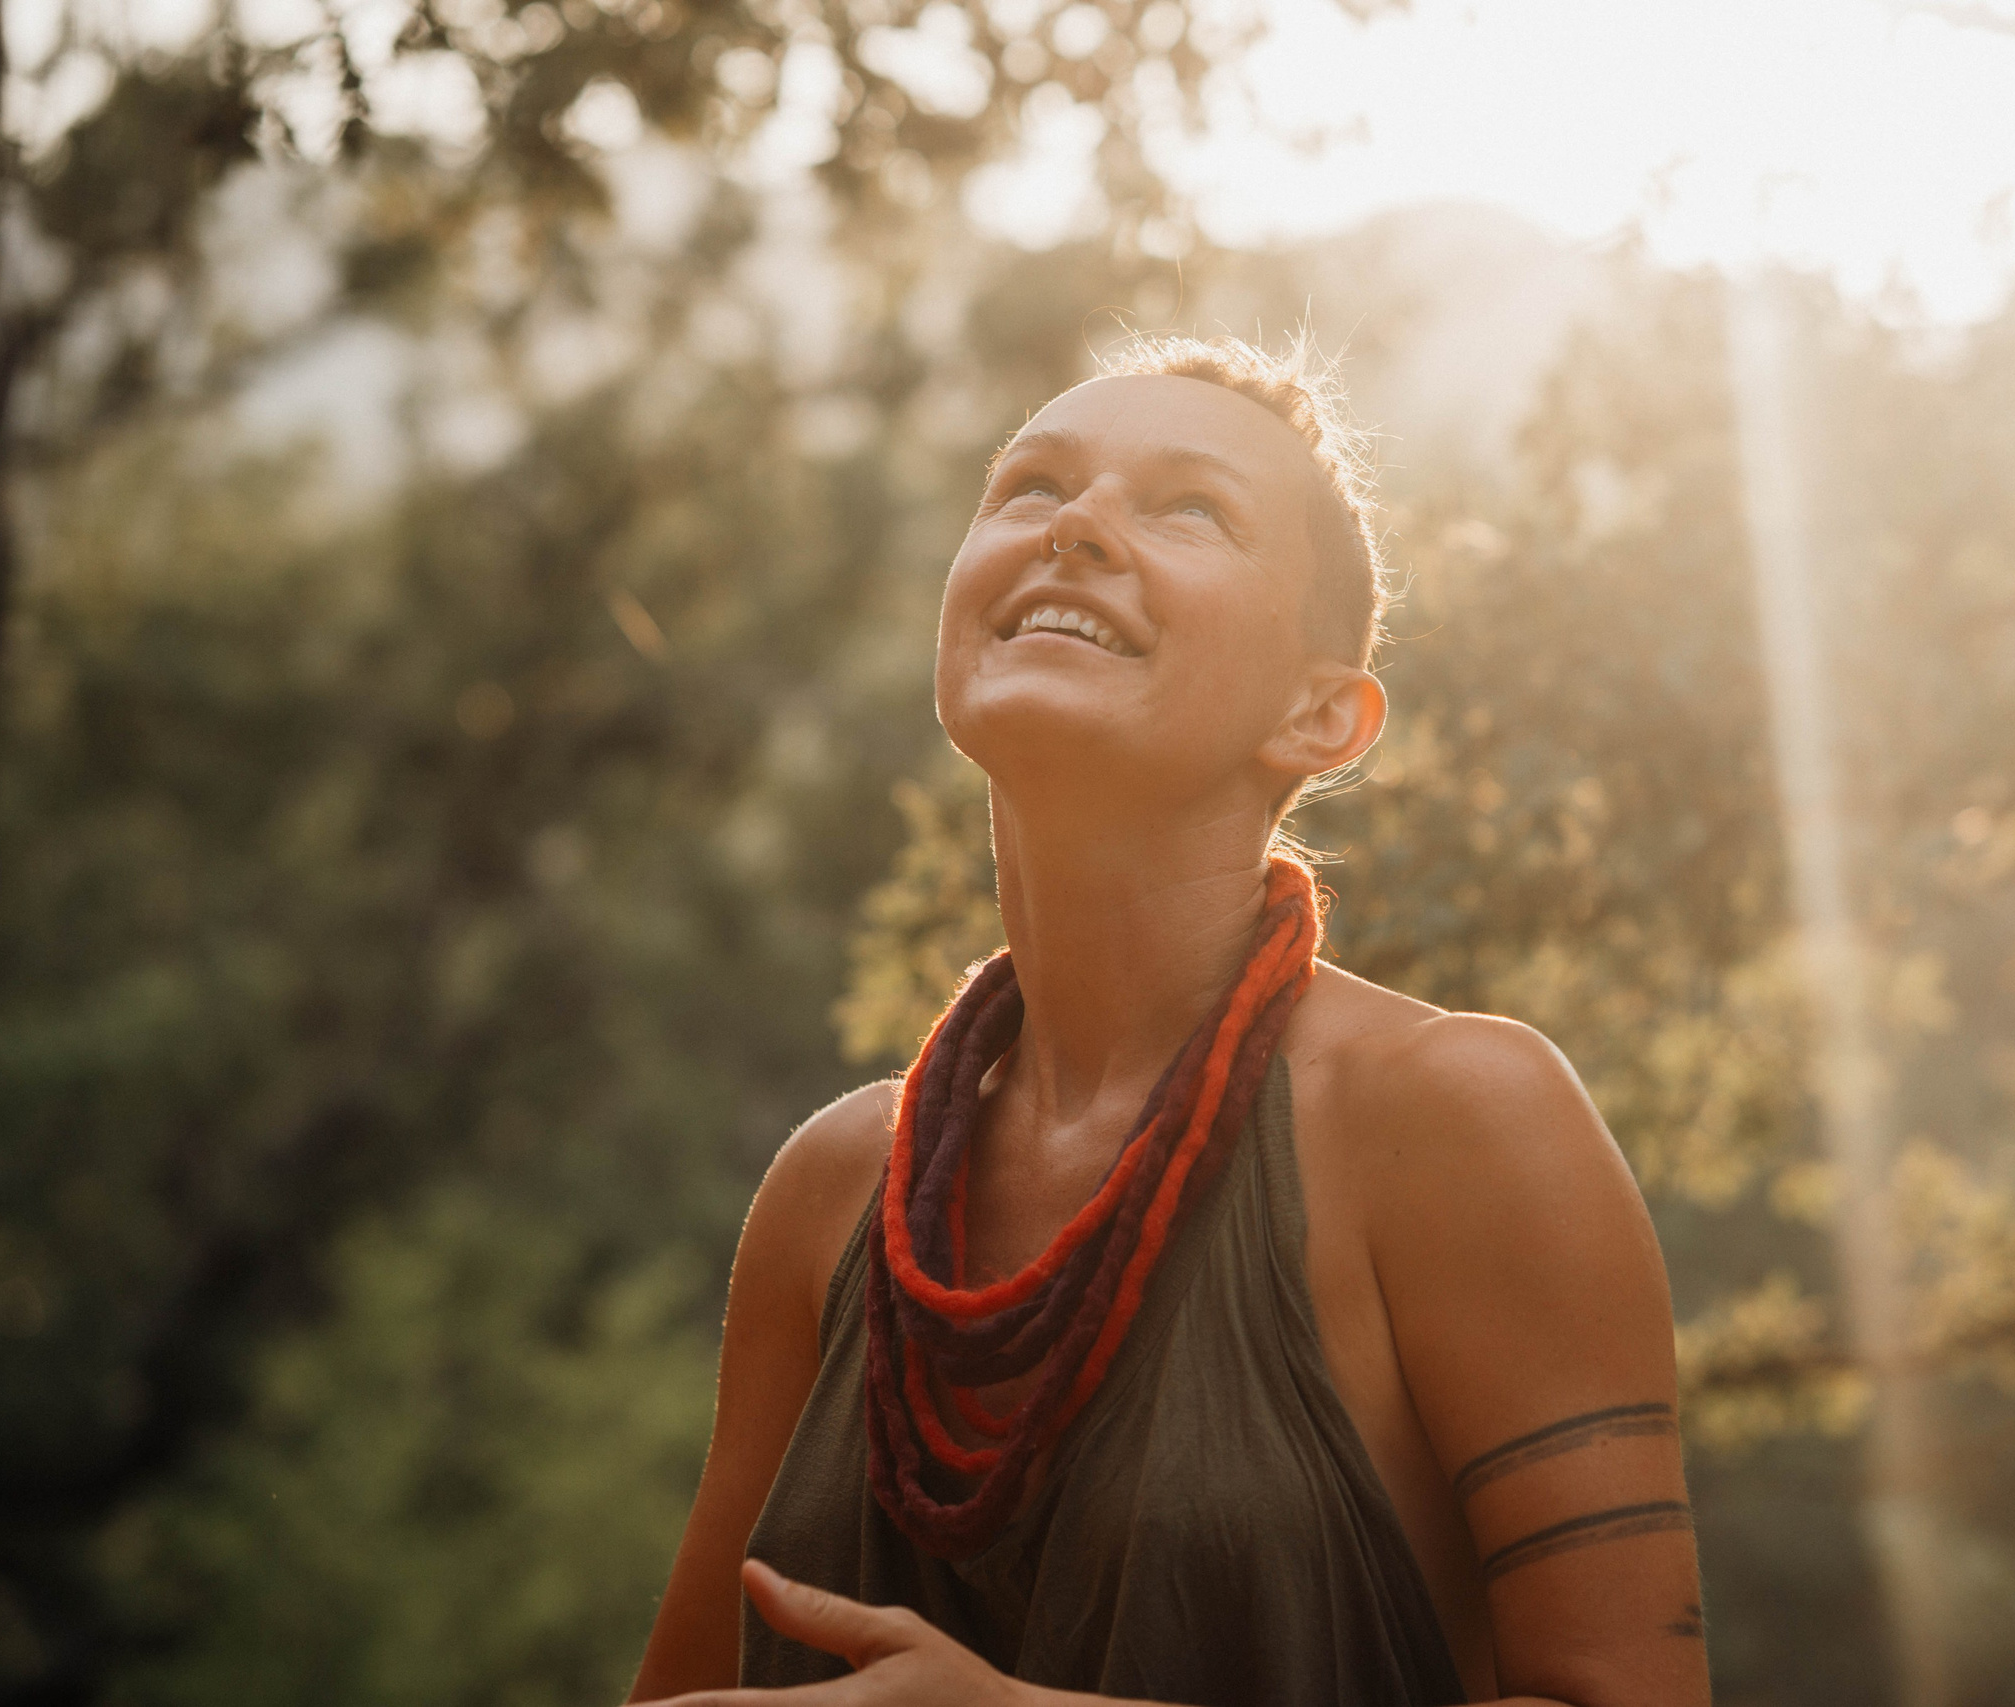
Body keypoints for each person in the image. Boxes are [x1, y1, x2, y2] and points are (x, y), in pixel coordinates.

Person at [629, 336, 1706, 1707]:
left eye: (1189, 509)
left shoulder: (1456, 1119)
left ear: (1322, 716)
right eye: (1028, 489)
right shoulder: (833, 1194)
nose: (1074, 525)